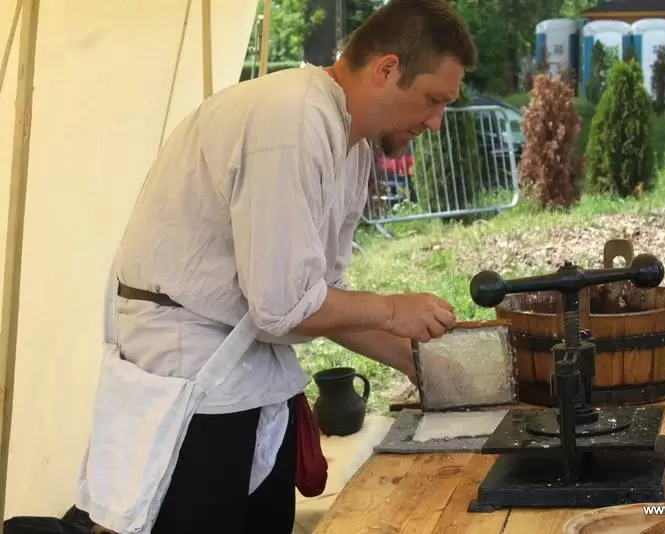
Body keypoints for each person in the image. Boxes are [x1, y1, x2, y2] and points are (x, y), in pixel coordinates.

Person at [75, 1, 477, 533]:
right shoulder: (292, 120)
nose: (435, 121)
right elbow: (283, 306)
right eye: (432, 99)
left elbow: (321, 295)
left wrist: (419, 366)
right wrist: (390, 310)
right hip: (189, 376)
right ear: (386, 69)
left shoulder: (350, 143)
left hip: (249, 372)